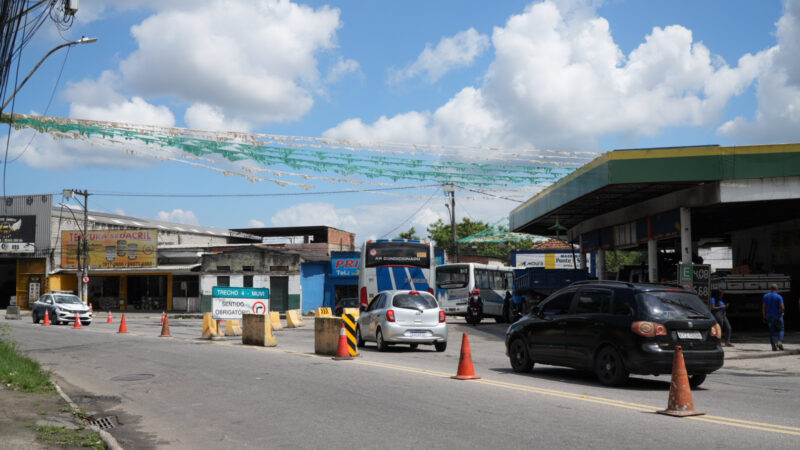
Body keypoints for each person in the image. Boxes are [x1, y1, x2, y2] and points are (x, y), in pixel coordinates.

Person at [762, 284, 785, 351]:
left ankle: (773, 346)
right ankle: (780, 342)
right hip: (778, 316)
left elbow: (764, 308)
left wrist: (764, 316)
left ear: (770, 289)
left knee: (771, 331)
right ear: (777, 289)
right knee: (781, 329)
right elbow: (782, 307)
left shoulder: (765, 296)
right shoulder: (779, 296)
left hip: (769, 316)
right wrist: (782, 312)